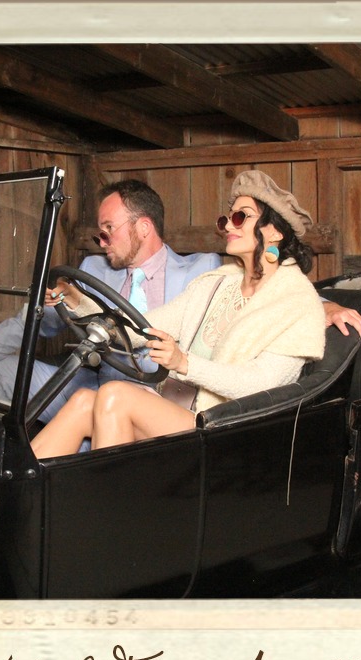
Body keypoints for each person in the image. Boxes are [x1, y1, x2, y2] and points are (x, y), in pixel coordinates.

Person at [30, 170, 330, 458]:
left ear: (274, 231)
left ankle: (106, 495)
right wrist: (77, 300)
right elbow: (138, 331)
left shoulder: (297, 302)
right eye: (226, 219)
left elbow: (262, 384)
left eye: (241, 217)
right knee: (84, 401)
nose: (228, 226)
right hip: (178, 409)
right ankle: (16, 488)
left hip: (226, 428)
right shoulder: (216, 284)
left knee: (115, 395)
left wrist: (185, 364)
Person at [0, 179, 222, 422]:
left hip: (160, 400)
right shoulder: (93, 270)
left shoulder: (201, 270)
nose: (102, 242)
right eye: (100, 233)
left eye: (109, 229)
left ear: (144, 227)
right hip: (94, 385)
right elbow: (36, 319)